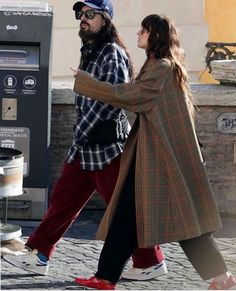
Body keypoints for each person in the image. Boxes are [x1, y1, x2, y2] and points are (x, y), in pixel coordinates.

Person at [3, 1, 167, 281]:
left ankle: (150, 260)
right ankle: (39, 254)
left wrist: (84, 133)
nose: (83, 19)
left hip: (106, 148)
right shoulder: (91, 50)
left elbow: (111, 100)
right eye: (81, 15)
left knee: (124, 210)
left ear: (105, 20)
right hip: (85, 147)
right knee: (62, 203)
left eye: (90, 15)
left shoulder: (111, 53)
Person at [71, 13, 236, 290]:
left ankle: (222, 278)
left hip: (165, 161)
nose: (138, 34)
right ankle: (105, 277)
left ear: (155, 36)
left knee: (187, 223)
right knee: (128, 215)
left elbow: (130, 96)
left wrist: (88, 83)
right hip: (152, 159)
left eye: (143, 31)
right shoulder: (157, 65)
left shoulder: (162, 67)